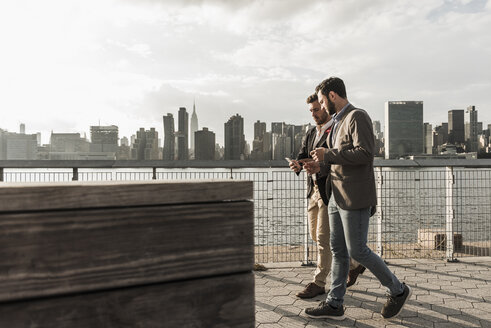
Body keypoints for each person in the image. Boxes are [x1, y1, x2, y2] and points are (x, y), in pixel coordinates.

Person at [303, 77, 411, 320]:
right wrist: (318, 166)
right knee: (339, 250)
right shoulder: (338, 122)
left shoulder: (357, 116)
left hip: (355, 197)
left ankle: (398, 290)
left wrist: (327, 154)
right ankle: (334, 304)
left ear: (332, 96)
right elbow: (338, 162)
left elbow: (365, 153)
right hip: (336, 196)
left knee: (358, 251)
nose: (321, 105)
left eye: (321, 100)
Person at [290, 94, 365, 299]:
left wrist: (320, 166)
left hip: (329, 191)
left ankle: (319, 282)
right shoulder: (311, 132)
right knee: (316, 236)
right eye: (311, 111)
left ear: (325, 107)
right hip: (313, 191)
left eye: (317, 108)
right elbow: (302, 154)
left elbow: (338, 160)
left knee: (323, 239)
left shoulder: (337, 130)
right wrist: (297, 165)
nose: (314, 114)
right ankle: (355, 264)